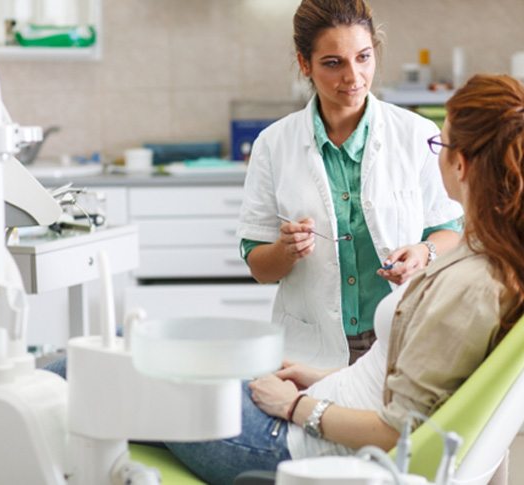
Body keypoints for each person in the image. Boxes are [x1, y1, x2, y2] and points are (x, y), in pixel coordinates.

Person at [166, 73, 524, 485]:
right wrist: (318, 380)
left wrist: (293, 407)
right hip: (322, 404)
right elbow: (410, 388)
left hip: (299, 444)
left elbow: (396, 432)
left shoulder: (469, 286)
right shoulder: (486, 262)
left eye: (440, 144)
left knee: (117, 372)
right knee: (144, 369)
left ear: (459, 163)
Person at [237, 0, 462, 367]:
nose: (353, 77)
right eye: (333, 63)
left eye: (363, 57)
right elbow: (260, 268)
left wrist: (423, 253)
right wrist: (285, 250)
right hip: (311, 347)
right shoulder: (273, 145)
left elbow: (449, 230)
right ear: (304, 63)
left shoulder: (417, 134)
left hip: (401, 338)